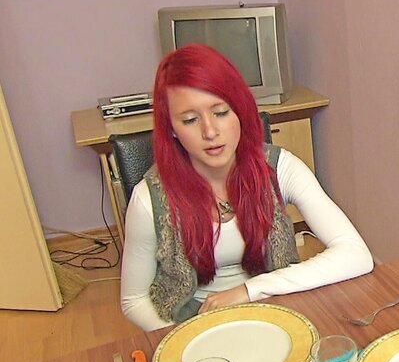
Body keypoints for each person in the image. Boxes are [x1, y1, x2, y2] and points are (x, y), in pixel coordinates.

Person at [120, 44, 373, 331]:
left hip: (275, 308)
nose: (210, 132)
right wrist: (184, 341)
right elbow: (133, 301)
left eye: (221, 112)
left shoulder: (280, 168)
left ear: (239, 110)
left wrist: (250, 290)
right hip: (193, 323)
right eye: (190, 120)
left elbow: (356, 254)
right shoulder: (149, 199)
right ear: (172, 130)